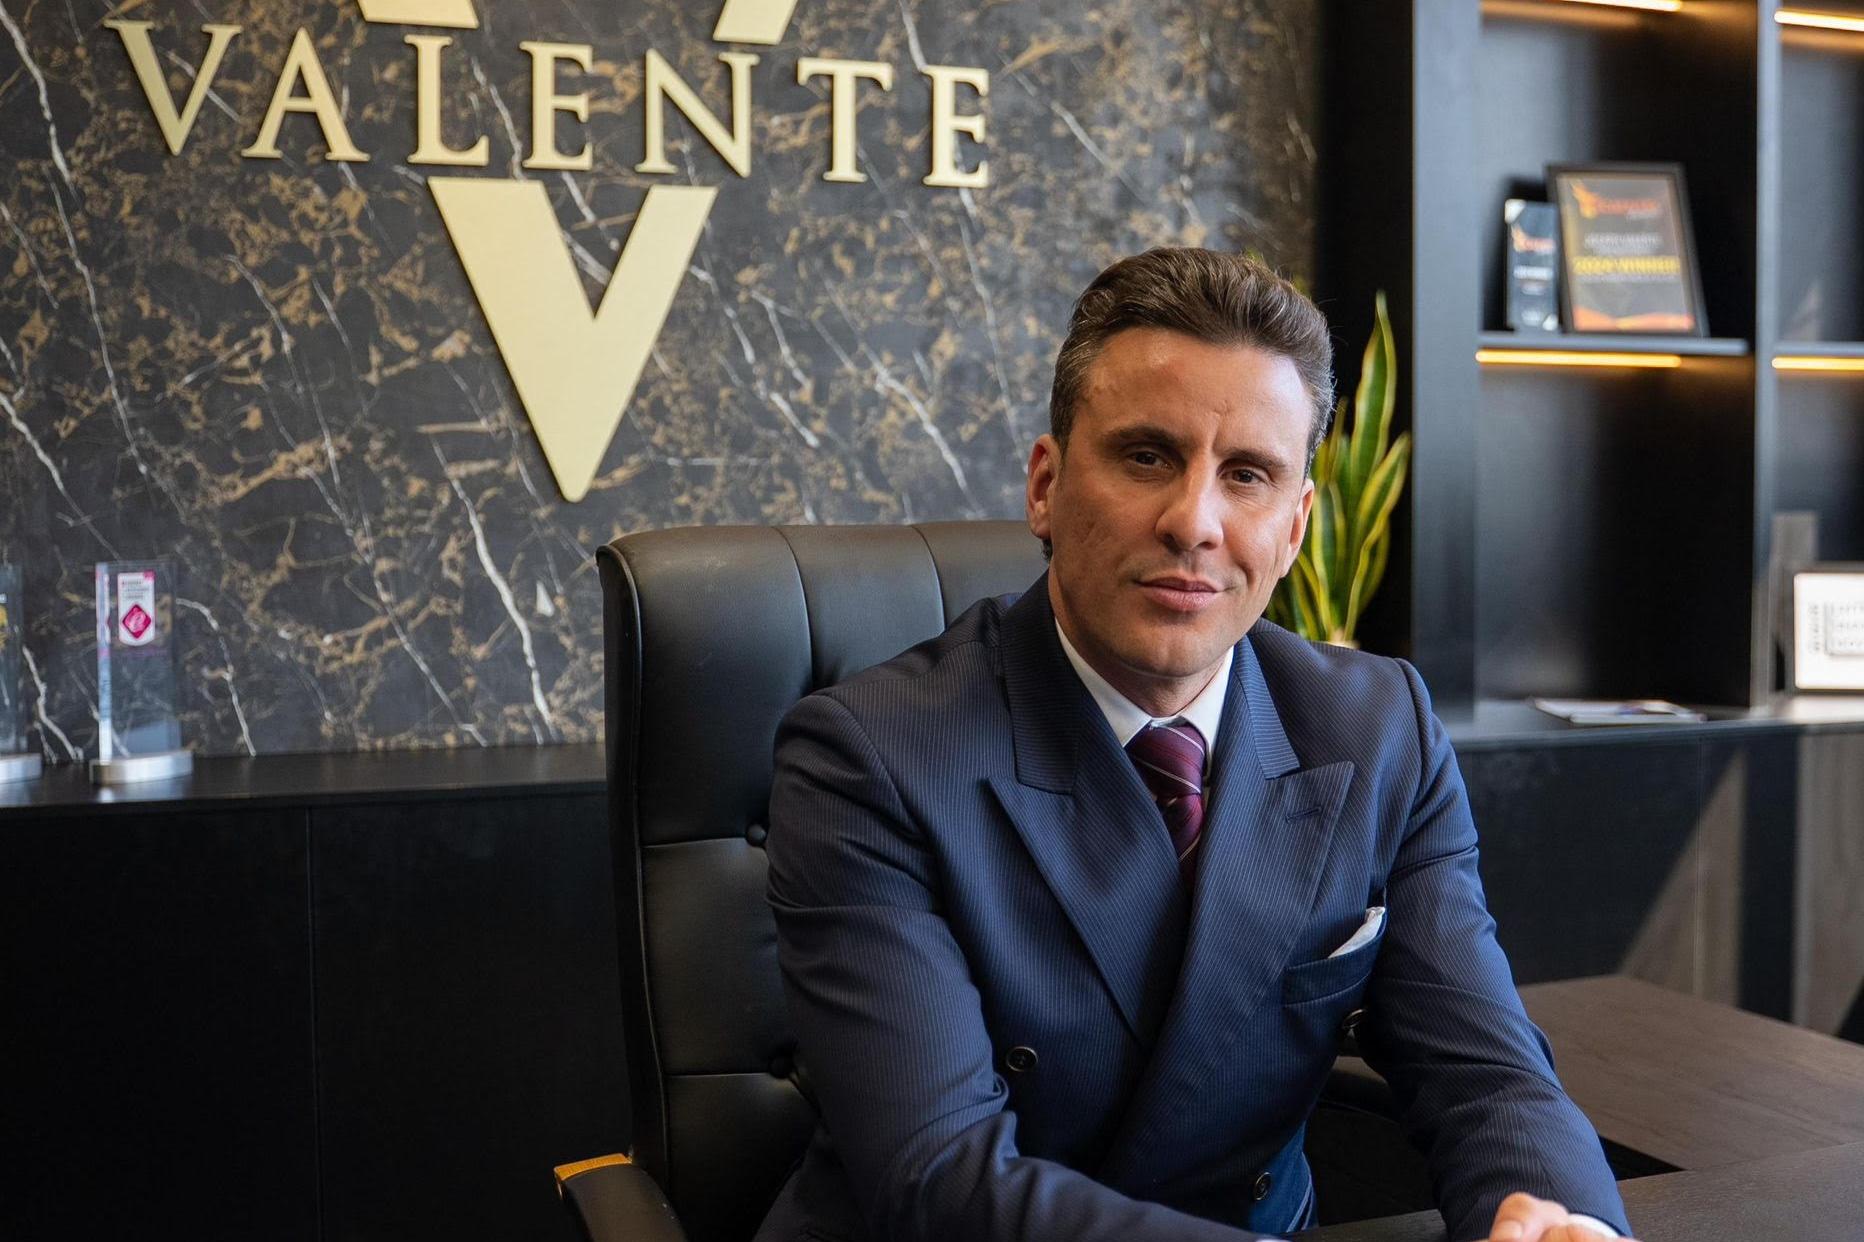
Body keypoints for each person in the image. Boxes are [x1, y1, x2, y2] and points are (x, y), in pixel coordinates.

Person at [754, 249, 1632, 1242]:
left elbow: (1488, 1076)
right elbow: (940, 1179)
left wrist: (1560, 1223)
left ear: (1295, 528)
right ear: (1045, 486)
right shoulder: (868, 756)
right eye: (1145, 457)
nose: (1194, 523)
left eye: (1248, 475)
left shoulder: (1380, 728)